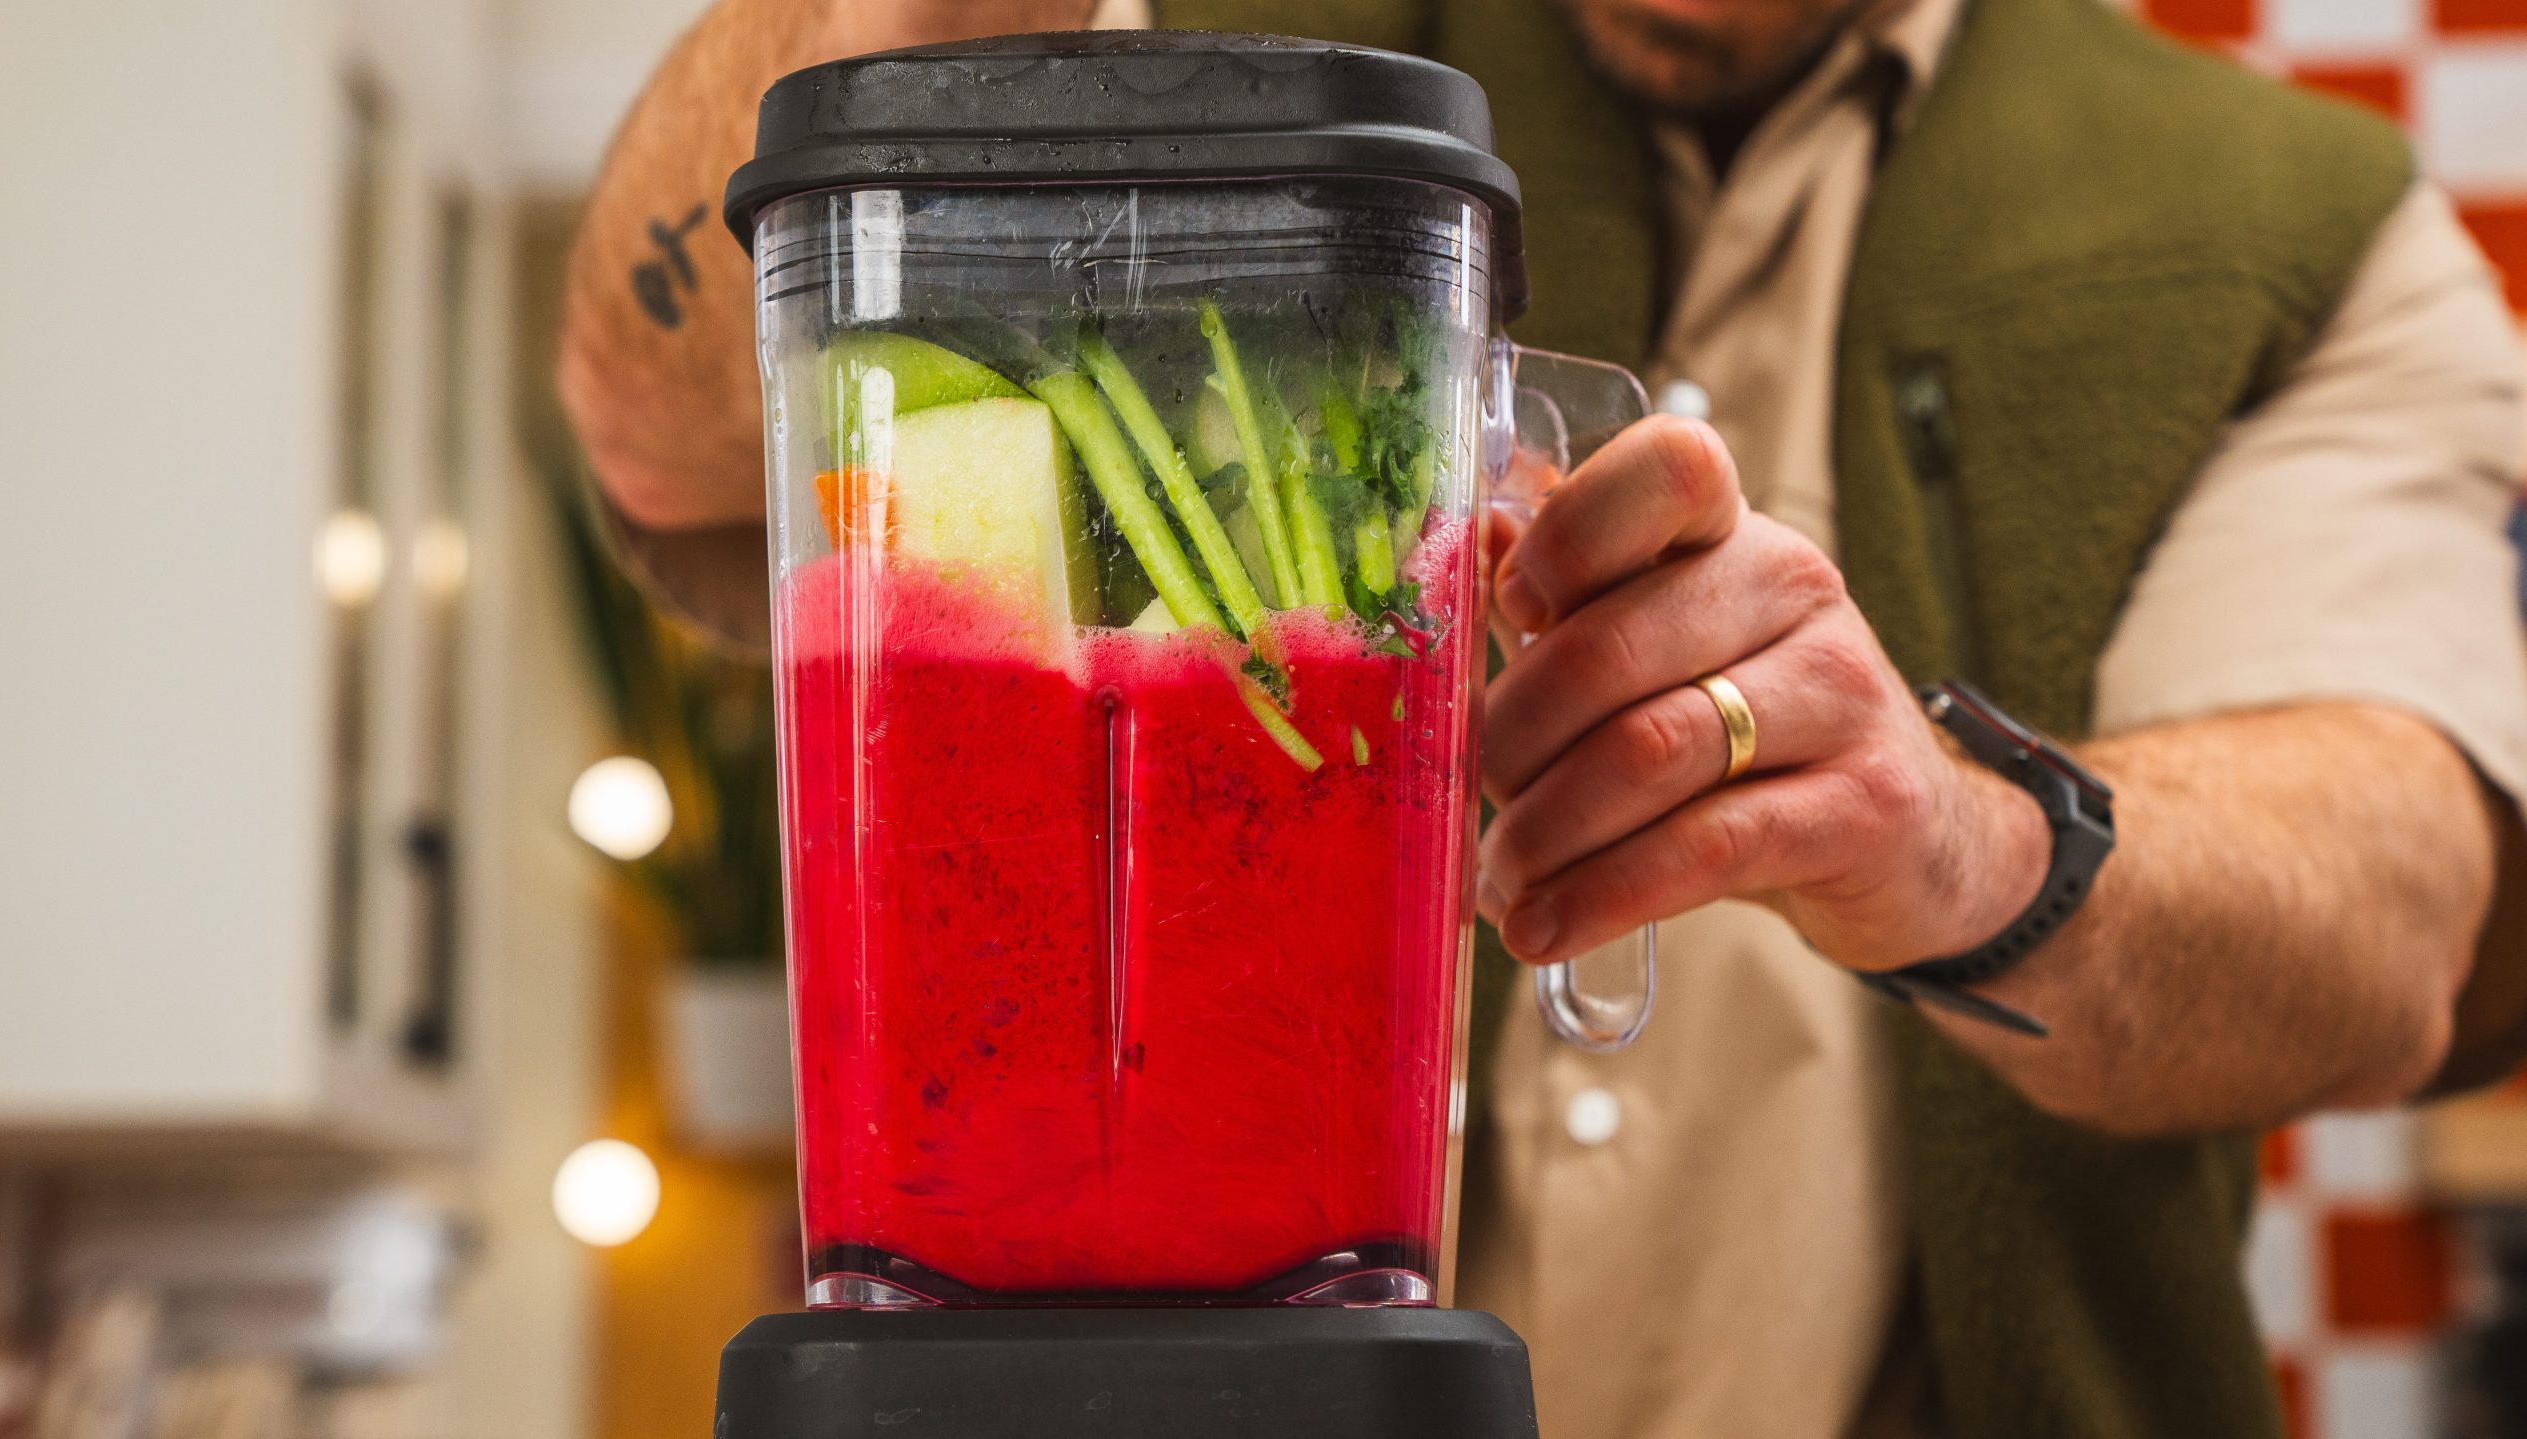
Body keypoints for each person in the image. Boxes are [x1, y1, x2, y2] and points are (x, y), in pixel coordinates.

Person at [556, 0, 2527, 1434]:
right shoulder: (1207, 48)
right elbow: (656, 428)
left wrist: (1957, 836)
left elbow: (2392, 914)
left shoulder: (2296, 227)